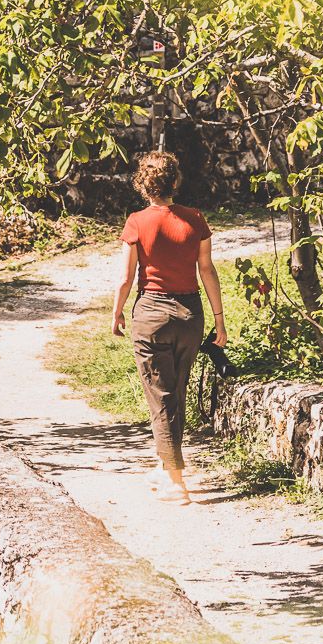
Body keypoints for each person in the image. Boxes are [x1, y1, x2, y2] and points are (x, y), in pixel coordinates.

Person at [111, 151, 228, 505]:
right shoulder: (195, 220)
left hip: (151, 316)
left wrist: (116, 312)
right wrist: (220, 320)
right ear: (175, 182)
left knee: (160, 398)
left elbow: (126, 277)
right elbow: (206, 270)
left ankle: (176, 481)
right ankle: (166, 467)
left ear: (143, 186)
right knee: (175, 393)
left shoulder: (136, 222)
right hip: (190, 315)